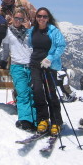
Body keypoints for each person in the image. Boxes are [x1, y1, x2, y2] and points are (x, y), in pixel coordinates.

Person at [29, 7, 66, 136]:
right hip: (35, 64)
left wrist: (49, 59)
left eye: (44, 16)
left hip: (48, 66)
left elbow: (61, 46)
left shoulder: (53, 31)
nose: (42, 19)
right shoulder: (33, 30)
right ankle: (43, 119)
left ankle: (56, 121)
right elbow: (29, 44)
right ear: (36, 17)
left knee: (50, 93)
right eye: (39, 16)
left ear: (48, 18)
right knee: (38, 91)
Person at [0, 8, 36, 132]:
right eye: (16, 18)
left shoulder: (28, 33)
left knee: (33, 93)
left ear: (24, 20)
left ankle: (36, 119)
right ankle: (25, 120)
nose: (18, 21)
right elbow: (5, 49)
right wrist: (3, 61)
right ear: (12, 18)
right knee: (22, 93)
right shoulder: (7, 32)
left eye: (21, 19)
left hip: (30, 66)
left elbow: (33, 47)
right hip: (17, 66)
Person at [0, 0, 37, 69]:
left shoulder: (22, 2)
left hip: (25, 35)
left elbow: (35, 17)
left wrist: (34, 31)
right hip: (12, 38)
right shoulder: (1, 10)